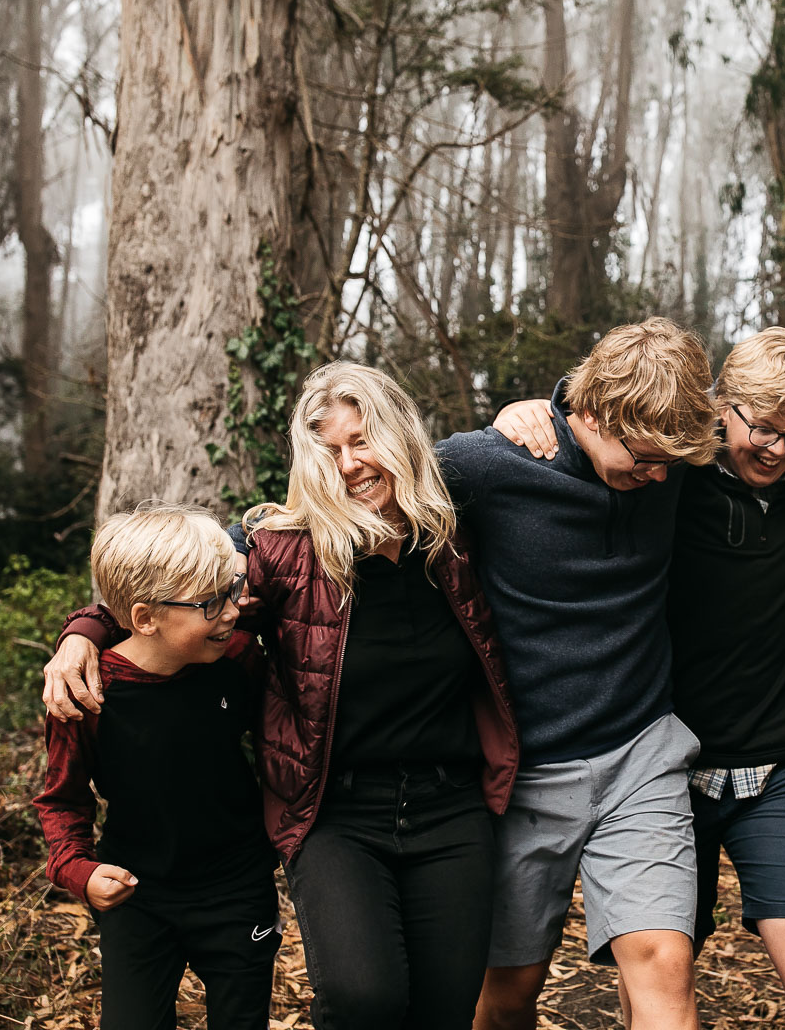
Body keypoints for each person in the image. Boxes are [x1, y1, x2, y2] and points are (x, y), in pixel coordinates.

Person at [43, 362, 519, 1030]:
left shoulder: (457, 538)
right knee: (362, 999)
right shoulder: (284, 550)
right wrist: (83, 631)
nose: (351, 464)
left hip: (453, 810)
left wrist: (536, 409)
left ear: (402, 437)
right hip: (335, 813)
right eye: (331, 451)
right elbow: (170, 592)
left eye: (364, 440)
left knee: (444, 1010)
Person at [493, 327, 785, 1028]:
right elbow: (602, 425)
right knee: (653, 970)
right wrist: (537, 408)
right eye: (762, 430)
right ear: (722, 407)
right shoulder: (674, 471)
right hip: (662, 759)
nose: (778, 449)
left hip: (780, 762)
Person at [438, 319, 721, 1030]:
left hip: (640, 754)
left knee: (664, 962)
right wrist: (114, 620)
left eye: (670, 463)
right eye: (644, 460)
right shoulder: (491, 463)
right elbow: (349, 491)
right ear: (592, 414)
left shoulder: (669, 455)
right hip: (526, 772)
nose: (659, 478)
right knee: (509, 990)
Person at [33, 504, 278, 1030]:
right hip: (137, 893)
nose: (231, 612)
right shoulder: (87, 694)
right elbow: (62, 798)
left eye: (229, 593)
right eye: (210, 604)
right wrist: (78, 871)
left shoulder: (238, 660)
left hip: (238, 889)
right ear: (144, 617)